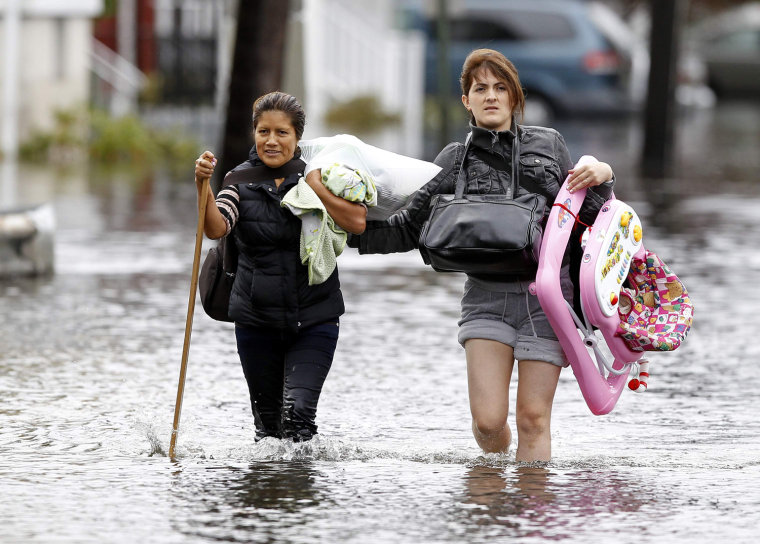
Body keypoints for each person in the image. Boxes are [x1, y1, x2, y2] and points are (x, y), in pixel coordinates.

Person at [350, 49, 616, 461]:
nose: (490, 96)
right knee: (488, 423)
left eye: (500, 88)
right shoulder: (454, 160)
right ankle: (492, 500)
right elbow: (408, 227)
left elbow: (592, 219)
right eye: (480, 89)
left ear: (514, 97)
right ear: (466, 100)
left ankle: (530, 512)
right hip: (485, 300)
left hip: (547, 300)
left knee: (533, 418)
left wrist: (604, 176)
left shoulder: (548, 145)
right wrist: (343, 233)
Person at [193, 91, 367, 442]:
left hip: (315, 317)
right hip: (256, 321)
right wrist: (202, 186)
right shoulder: (238, 182)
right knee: (269, 430)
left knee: (298, 418)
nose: (271, 141)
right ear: (254, 134)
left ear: (298, 137)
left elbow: (358, 222)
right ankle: (270, 492)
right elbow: (216, 227)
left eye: (281, 133)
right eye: (263, 132)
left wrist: (318, 187)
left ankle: (300, 493)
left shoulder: (319, 176)